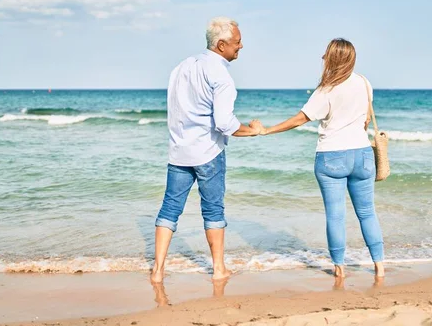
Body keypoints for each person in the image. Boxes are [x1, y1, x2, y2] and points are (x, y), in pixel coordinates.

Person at [252, 38, 385, 279]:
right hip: (363, 155)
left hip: (332, 156)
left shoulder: (326, 90)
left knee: (336, 215)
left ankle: (339, 268)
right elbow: (365, 119)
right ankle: (379, 267)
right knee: (367, 212)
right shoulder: (365, 83)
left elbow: (299, 119)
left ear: (333, 58)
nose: (323, 58)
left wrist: (266, 130)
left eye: (326, 54)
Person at [151, 17, 262, 284]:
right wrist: (253, 130)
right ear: (221, 45)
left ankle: (157, 271)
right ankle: (219, 269)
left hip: (179, 150)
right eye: (237, 42)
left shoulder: (181, 67)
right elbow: (225, 124)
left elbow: (175, 111)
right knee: (213, 210)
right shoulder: (221, 75)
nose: (241, 46)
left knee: (169, 208)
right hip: (208, 153)